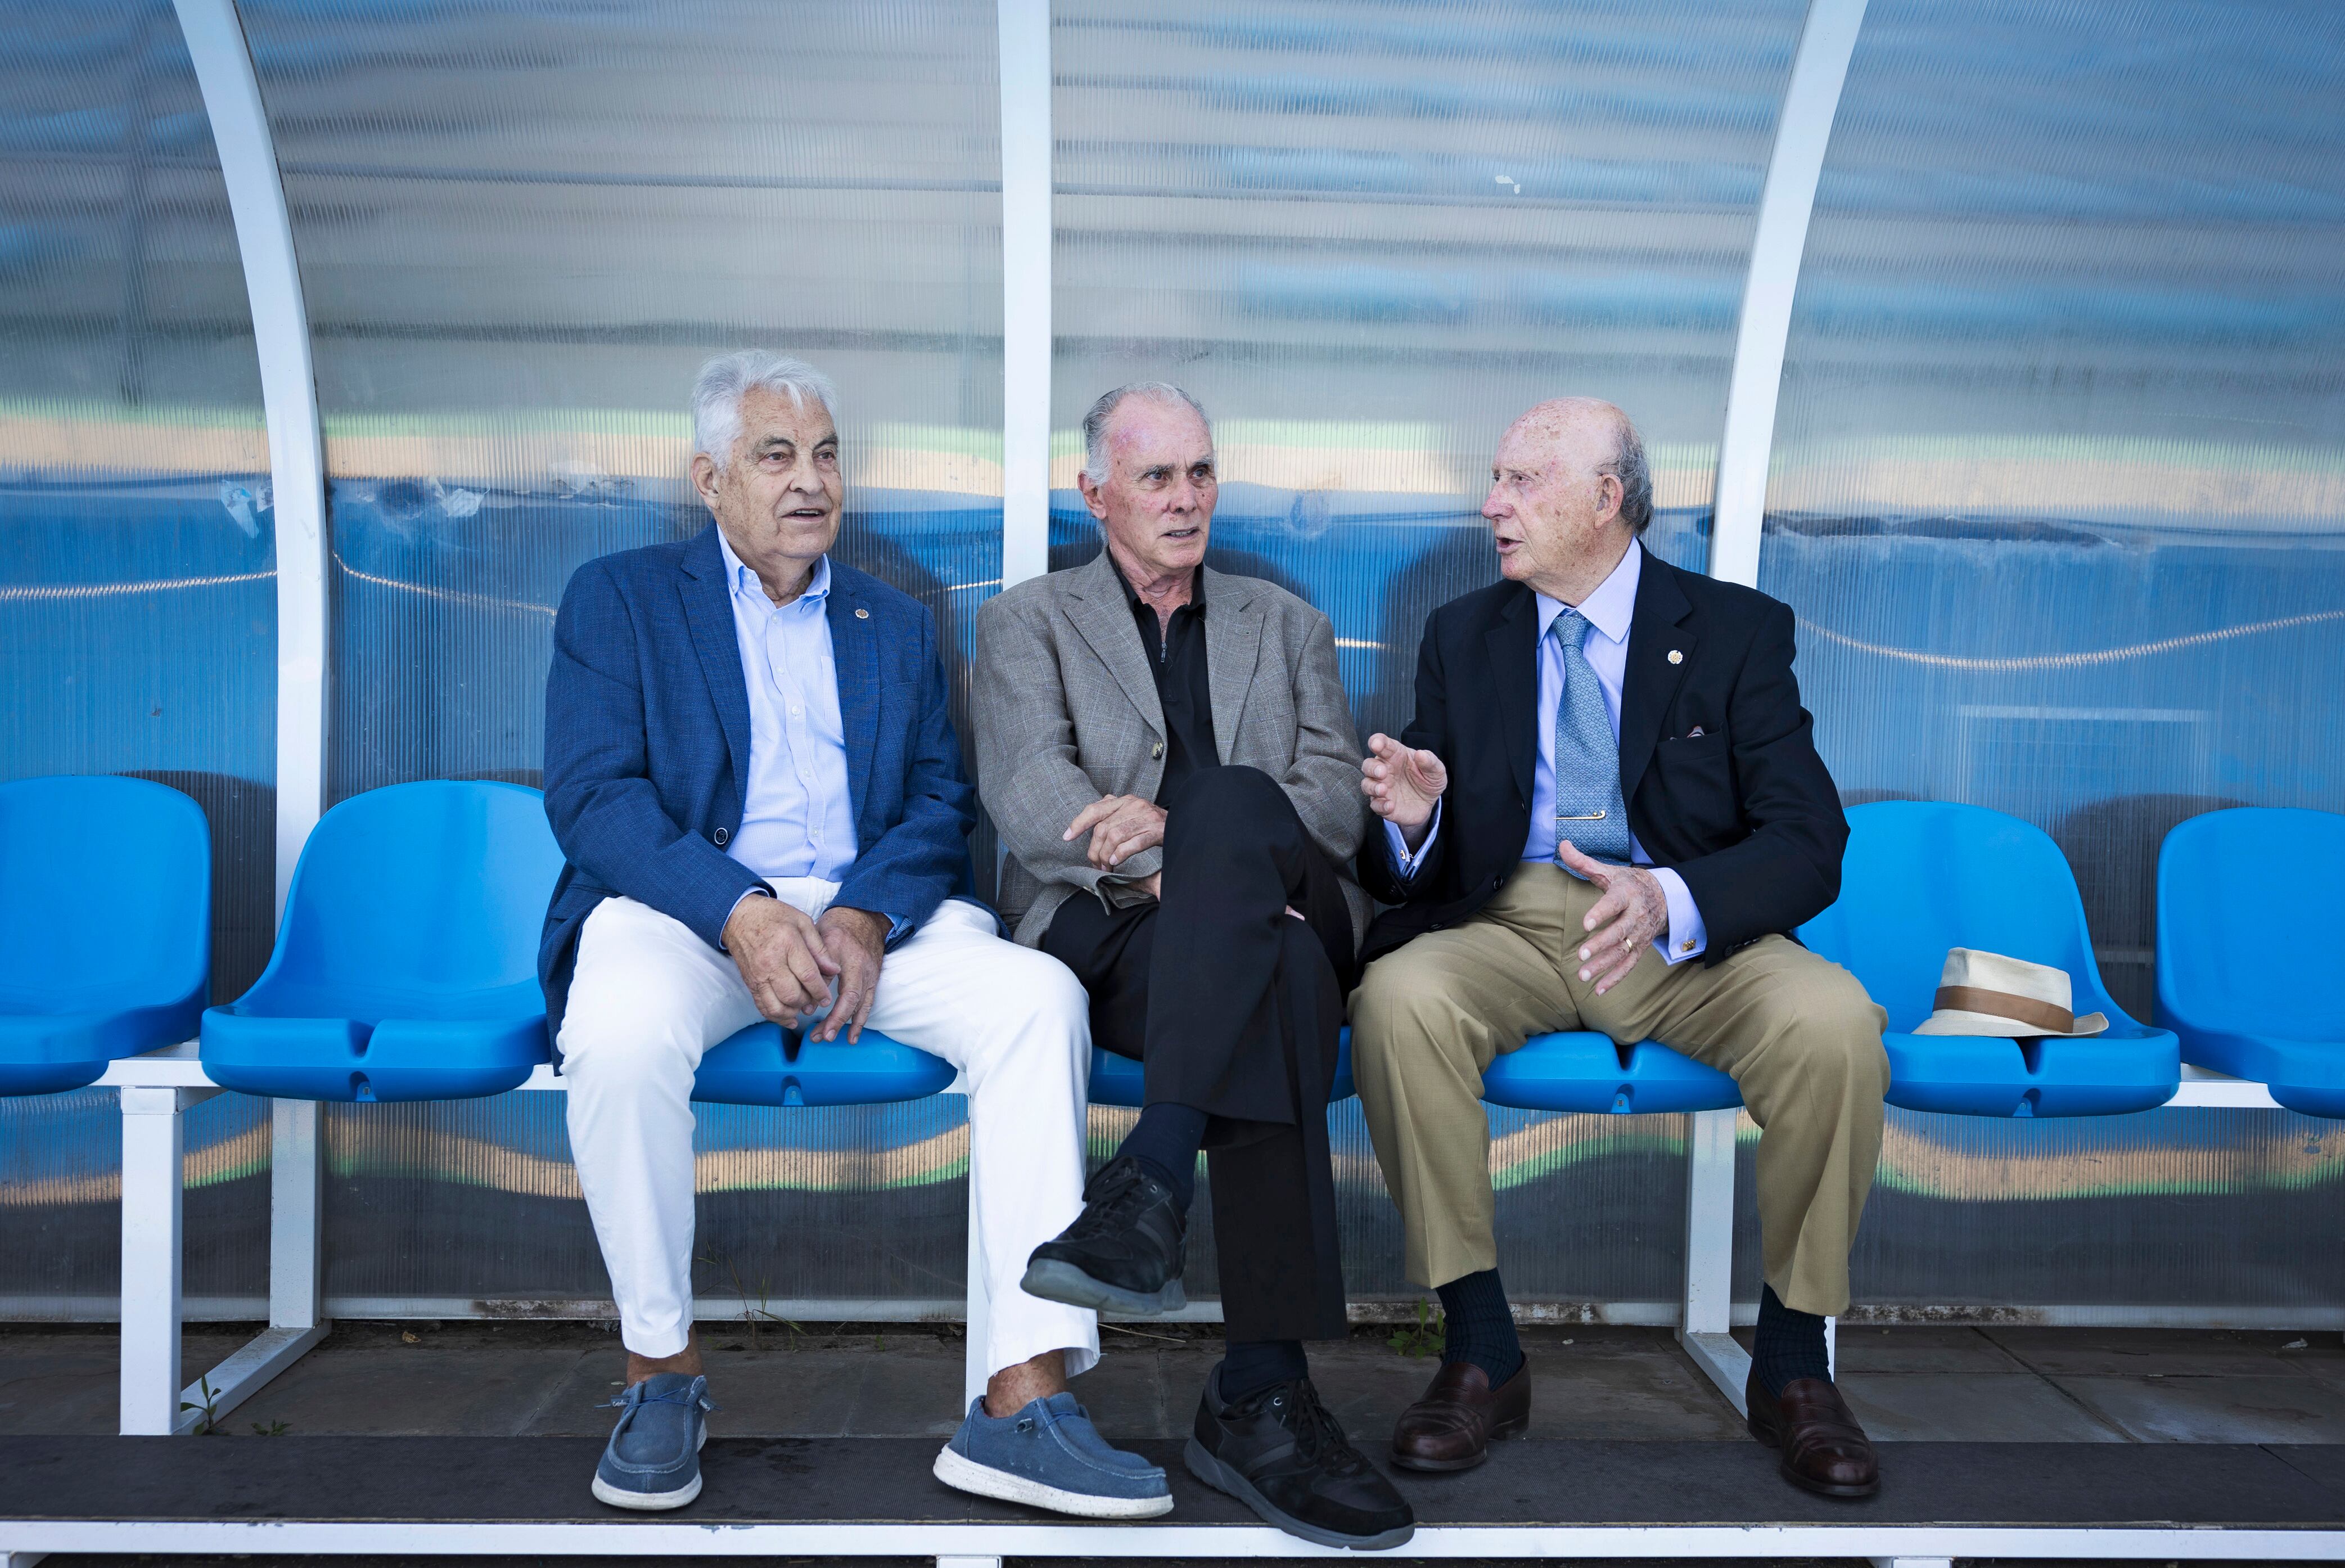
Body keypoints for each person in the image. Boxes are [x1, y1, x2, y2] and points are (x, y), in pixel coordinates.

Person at [539, 351, 1167, 1519]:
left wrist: (868, 914)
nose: (810, 481)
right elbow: (592, 796)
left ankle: (1019, 1399)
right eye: (776, 455)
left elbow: (940, 802)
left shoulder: (892, 616)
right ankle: (659, 1370)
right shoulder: (619, 598)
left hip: (870, 912)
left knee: (1040, 1001)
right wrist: (738, 907)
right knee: (617, 1028)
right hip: (690, 910)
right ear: (709, 478)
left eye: (825, 454)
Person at [1350, 397, 1890, 1498]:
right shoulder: (1467, 633)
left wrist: (1671, 891)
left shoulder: (1736, 631)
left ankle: (1792, 1360)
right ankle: (1481, 1347)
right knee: (1399, 996)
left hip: (1687, 933)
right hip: (1517, 920)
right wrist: (1414, 821)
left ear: (1607, 499)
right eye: (1494, 478)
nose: (1491, 504)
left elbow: (1809, 838)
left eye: (1522, 481)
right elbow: (1433, 851)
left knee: (1836, 1024)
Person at [970, 382, 1414, 1550]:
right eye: (1158, 476)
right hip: (1112, 922)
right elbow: (1029, 796)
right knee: (1281, 978)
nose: (1185, 497)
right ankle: (1260, 1393)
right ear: (1096, 492)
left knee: (1238, 801)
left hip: (1283, 892)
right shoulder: (1028, 622)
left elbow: (1325, 803)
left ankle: (1152, 1171)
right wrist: (1174, 867)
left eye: (1201, 472)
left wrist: (1198, 840)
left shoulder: (1285, 623)